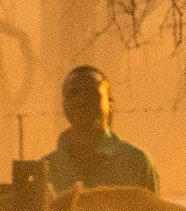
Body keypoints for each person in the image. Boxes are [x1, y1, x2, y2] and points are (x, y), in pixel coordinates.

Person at [44, 66, 159, 194]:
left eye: (91, 93)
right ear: (64, 105)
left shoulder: (136, 163)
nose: (82, 100)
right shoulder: (45, 169)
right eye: (73, 93)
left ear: (110, 103)